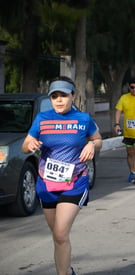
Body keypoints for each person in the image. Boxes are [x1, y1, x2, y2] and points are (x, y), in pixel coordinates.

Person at [21, 76, 102, 275]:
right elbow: (25, 145)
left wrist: (92, 144)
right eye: (54, 96)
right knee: (59, 238)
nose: (58, 100)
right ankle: (67, 270)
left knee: (60, 233)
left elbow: (98, 139)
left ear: (73, 96)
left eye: (63, 95)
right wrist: (29, 146)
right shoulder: (42, 119)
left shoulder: (83, 119)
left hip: (74, 183)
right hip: (47, 185)